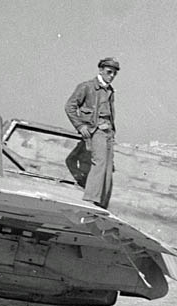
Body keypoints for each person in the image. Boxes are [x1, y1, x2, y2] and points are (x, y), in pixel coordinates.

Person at [65, 57, 120, 208]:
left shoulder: (109, 91)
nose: (112, 76)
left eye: (114, 74)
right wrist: (80, 126)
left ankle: (102, 204)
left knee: (108, 168)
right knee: (100, 162)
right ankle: (90, 199)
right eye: (109, 72)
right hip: (95, 130)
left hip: (108, 131)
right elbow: (70, 106)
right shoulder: (87, 87)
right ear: (100, 70)